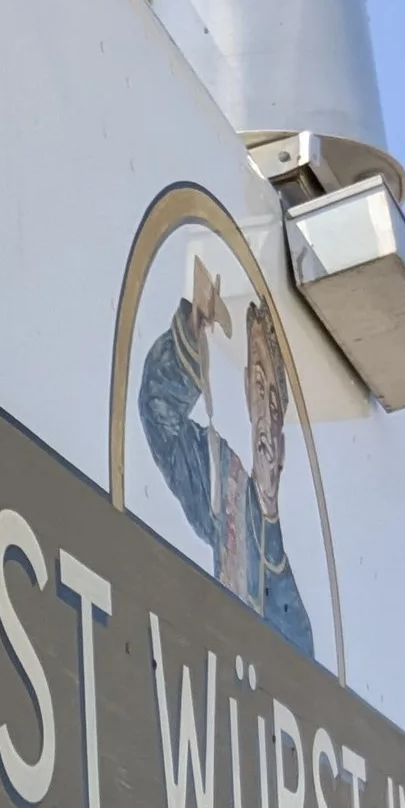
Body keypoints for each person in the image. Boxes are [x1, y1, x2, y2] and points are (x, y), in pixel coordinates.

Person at [138, 251, 314, 656]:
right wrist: (192, 326)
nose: (265, 416)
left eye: (271, 396)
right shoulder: (228, 489)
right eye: (256, 386)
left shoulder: (296, 618)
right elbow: (158, 410)